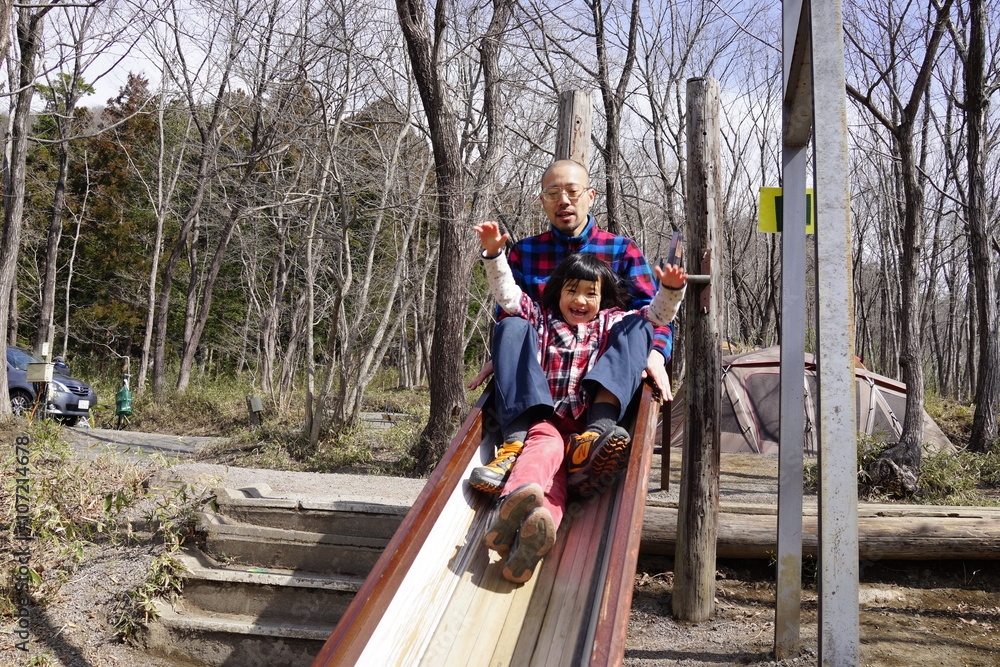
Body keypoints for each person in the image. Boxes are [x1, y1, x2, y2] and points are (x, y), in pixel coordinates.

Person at [472, 220, 687, 583]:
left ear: (602, 299)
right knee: (547, 462)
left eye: (591, 293)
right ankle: (523, 516)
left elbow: (656, 315)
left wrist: (669, 289)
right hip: (545, 416)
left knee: (639, 329)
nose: (581, 300)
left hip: (587, 425)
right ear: (557, 293)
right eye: (572, 291)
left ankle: (529, 526)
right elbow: (508, 295)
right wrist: (494, 255)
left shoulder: (611, 322)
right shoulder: (540, 318)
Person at [468, 159, 674, 496]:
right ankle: (516, 443)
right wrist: (503, 354)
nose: (563, 201)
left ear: (590, 196)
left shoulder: (621, 250)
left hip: (602, 377)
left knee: (638, 326)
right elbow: (508, 308)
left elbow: (651, 313)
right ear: (543, 201)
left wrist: (655, 354)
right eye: (553, 193)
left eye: (572, 192)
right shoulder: (524, 252)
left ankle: (596, 434)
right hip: (543, 378)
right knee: (512, 326)